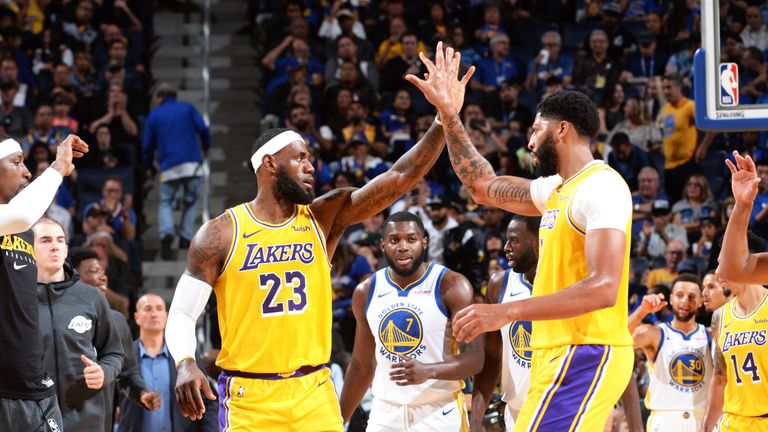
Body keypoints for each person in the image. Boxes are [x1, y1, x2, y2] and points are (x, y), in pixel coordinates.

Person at [165, 43, 474, 430]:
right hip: (250, 398)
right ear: (269, 164)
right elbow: (181, 313)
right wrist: (185, 361)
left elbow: (399, 177)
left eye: (310, 157)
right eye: (301, 157)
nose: (311, 166)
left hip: (315, 392)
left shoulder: (323, 218)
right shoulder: (221, 233)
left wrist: (444, 118)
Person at [412, 54, 634, 429]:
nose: (530, 141)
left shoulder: (602, 186)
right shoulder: (558, 189)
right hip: (557, 354)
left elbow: (604, 288)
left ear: (562, 130)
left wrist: (506, 311)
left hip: (586, 350)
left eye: (536, 130)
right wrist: (449, 114)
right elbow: (482, 186)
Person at [338, 212, 482, 430]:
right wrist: (337, 422)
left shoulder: (451, 286)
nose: (403, 247)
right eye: (394, 240)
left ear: (424, 243)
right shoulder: (366, 291)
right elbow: (361, 366)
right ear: (383, 244)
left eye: (411, 239)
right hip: (384, 414)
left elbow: (475, 359)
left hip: (437, 412)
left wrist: (429, 370)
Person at [0, 135, 86, 431]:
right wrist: (59, 166)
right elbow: (21, 214)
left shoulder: (24, 232)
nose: (26, 172)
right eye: (16, 162)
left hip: (34, 383)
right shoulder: (19, 220)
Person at [34, 218, 125, 431]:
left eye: (60, 240)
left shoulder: (91, 297)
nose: (54, 245)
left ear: (66, 249)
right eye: (45, 240)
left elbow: (114, 353)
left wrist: (103, 372)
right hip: (33, 419)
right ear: (29, 249)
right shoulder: (16, 300)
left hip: (86, 420)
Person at [707, 152, 768, 430]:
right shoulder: (720, 317)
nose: (719, 274)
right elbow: (719, 380)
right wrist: (742, 205)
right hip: (733, 421)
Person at [69, 247, 161, 430]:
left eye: (104, 272)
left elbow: (127, 373)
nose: (103, 277)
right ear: (73, 277)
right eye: (94, 272)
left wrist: (141, 393)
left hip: (103, 425)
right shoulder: (58, 316)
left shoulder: (117, 321)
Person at [471, 215, 540, 431]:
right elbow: (491, 357)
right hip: (516, 414)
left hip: (561, 410)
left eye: (515, 241)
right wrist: (475, 420)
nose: (506, 248)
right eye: (507, 240)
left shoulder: (568, 284)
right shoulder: (499, 284)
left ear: (538, 242)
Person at [119, 293, 218, 431]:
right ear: (137, 317)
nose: (154, 314)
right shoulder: (123, 355)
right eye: (148, 309)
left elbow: (208, 400)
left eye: (159, 309)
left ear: (166, 316)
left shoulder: (185, 355)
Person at [629, 275, 711, 431]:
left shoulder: (711, 335)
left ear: (700, 301)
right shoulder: (654, 333)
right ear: (671, 299)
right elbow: (616, 340)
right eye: (680, 295)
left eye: (692, 297)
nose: (685, 301)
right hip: (664, 420)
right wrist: (641, 311)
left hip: (702, 420)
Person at [143, 82, 211, 259]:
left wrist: (149, 166)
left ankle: (166, 233)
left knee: (166, 202)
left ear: (159, 97)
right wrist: (206, 146)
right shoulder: (187, 109)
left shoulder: (154, 115)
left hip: (168, 166)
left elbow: (148, 146)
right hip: (192, 164)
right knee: (190, 202)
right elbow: (203, 128)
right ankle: (185, 237)